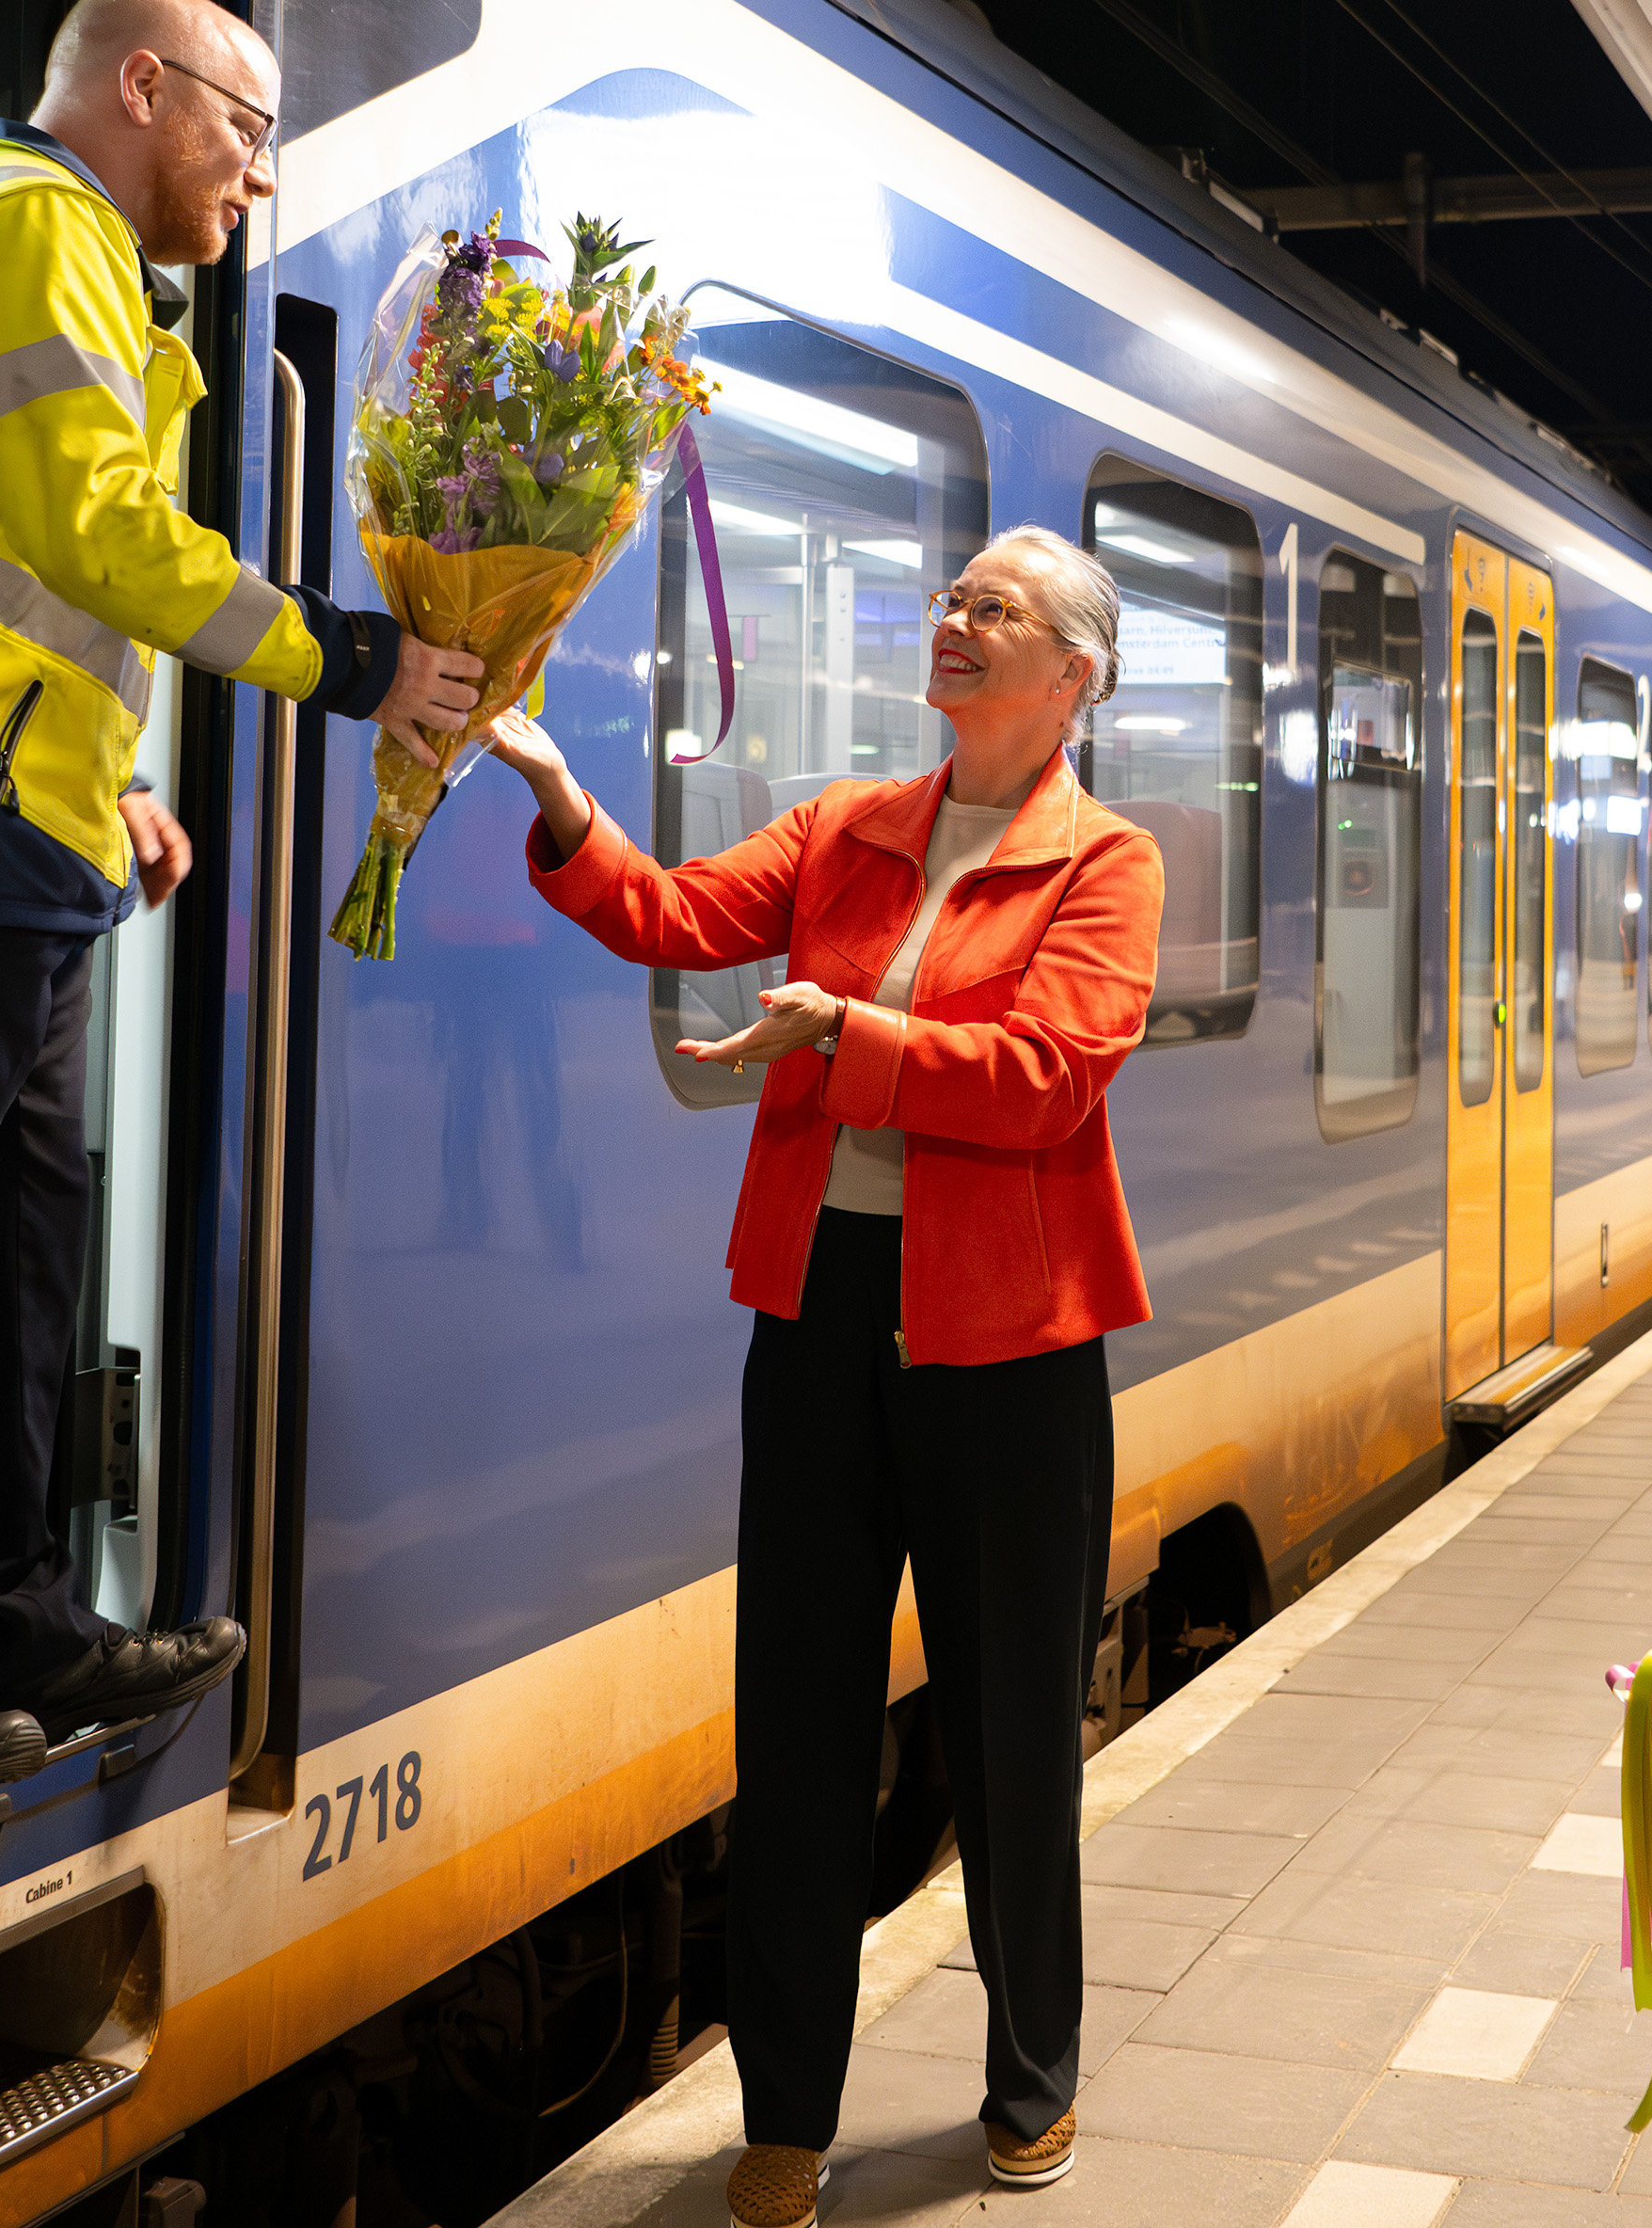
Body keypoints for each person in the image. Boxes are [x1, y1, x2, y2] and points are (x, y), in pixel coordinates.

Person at [483, 528, 1162, 2225]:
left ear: (1069, 673)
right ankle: (783, 2106)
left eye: (992, 607)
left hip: (1010, 1343)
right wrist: (563, 795)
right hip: (817, 1308)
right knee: (796, 1723)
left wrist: (847, 1040)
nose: (955, 620)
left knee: (1015, 1734)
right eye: (954, 599)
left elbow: (1045, 1080)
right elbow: (673, 915)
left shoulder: (1110, 861)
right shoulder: (850, 825)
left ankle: (1032, 2079)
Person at [0, 0, 484, 1796]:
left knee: (21, 1261)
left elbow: (16, 562)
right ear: (141, 86)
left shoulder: (71, 249)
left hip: (32, 829)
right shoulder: (37, 227)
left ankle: (13, 1613)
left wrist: (120, 780)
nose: (253, 173)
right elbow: (96, 527)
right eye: (243, 126)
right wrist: (345, 658)